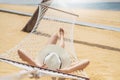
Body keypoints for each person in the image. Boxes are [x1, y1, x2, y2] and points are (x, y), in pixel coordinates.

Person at [18, 28, 90, 74]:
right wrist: (68, 70)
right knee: (60, 46)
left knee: (56, 37)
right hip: (55, 61)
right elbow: (87, 61)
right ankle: (61, 36)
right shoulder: (64, 68)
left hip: (47, 57)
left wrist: (36, 65)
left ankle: (61, 36)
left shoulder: (39, 63)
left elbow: (20, 51)